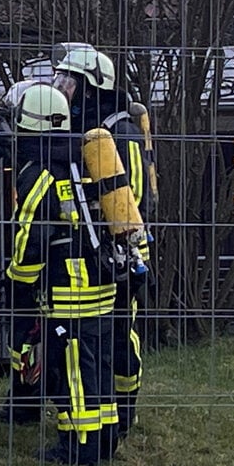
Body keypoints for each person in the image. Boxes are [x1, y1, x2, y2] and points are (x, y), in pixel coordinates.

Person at [5, 82, 119, 466]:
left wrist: (18, 281)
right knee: (98, 365)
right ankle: (105, 441)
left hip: (69, 290)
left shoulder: (38, 172)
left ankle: (79, 448)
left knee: (72, 368)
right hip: (102, 282)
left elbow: (30, 235)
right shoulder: (82, 159)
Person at [53, 43, 151, 439]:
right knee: (102, 335)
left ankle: (124, 412)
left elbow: (136, 197)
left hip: (125, 252)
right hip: (102, 250)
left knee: (119, 334)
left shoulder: (120, 131)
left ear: (92, 89)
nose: (62, 90)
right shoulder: (89, 132)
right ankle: (108, 412)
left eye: (69, 82)